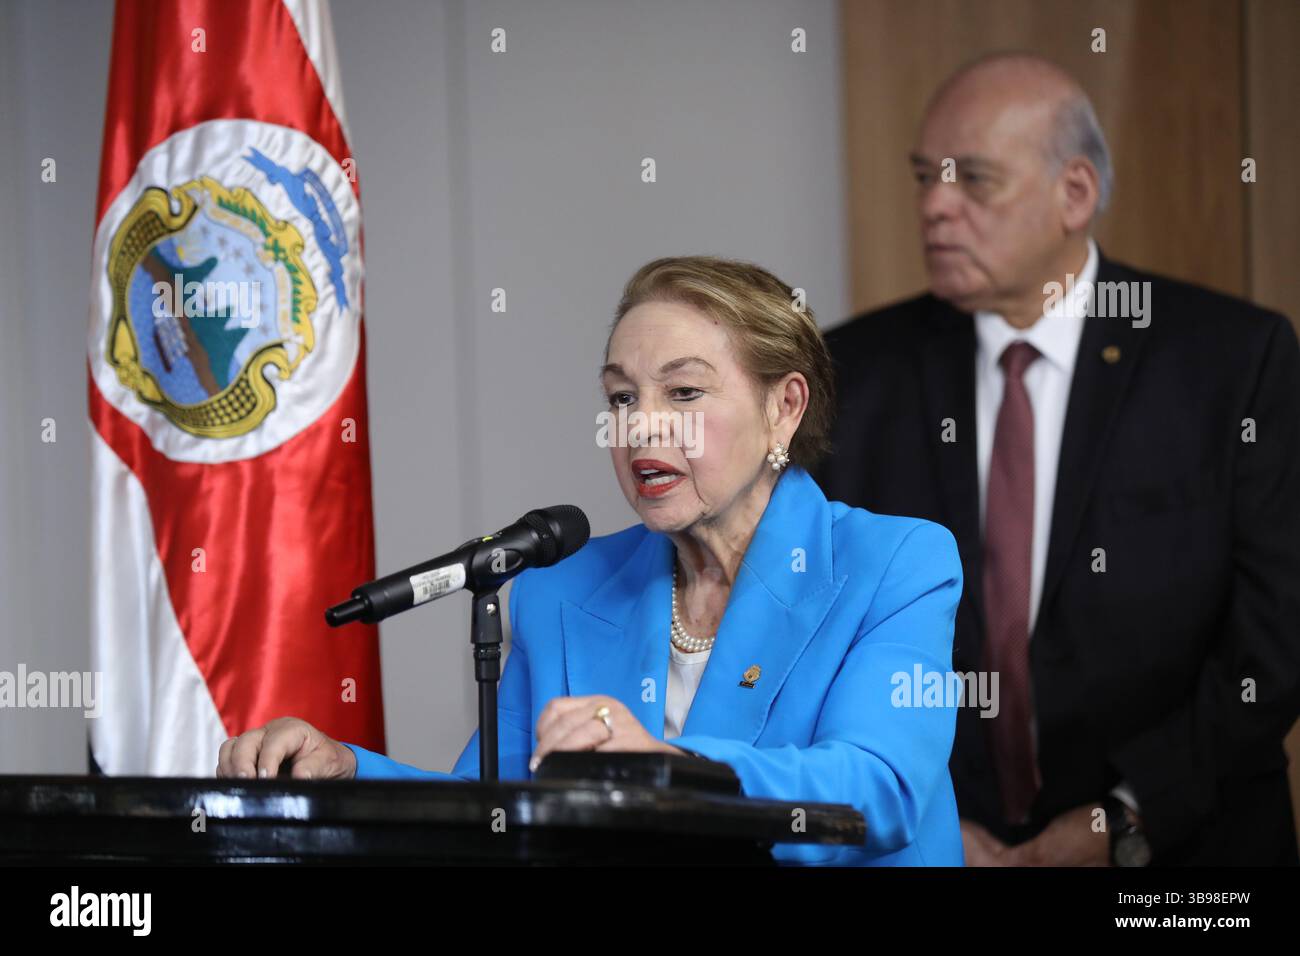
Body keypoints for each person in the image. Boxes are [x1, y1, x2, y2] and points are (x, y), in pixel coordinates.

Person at [218, 255, 966, 866]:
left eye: (683, 392)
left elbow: (879, 791)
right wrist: (349, 774)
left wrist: (666, 771)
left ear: (785, 407)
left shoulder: (897, 563)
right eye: (620, 397)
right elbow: (492, 810)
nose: (641, 426)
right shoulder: (561, 590)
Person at [815, 52, 1300, 865]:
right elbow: (813, 624)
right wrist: (915, 809)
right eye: (924, 178)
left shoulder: (1230, 360)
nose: (935, 205)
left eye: (973, 180)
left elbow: (1276, 637)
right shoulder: (851, 372)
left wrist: (1124, 819)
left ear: (1074, 194)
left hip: (1187, 860)